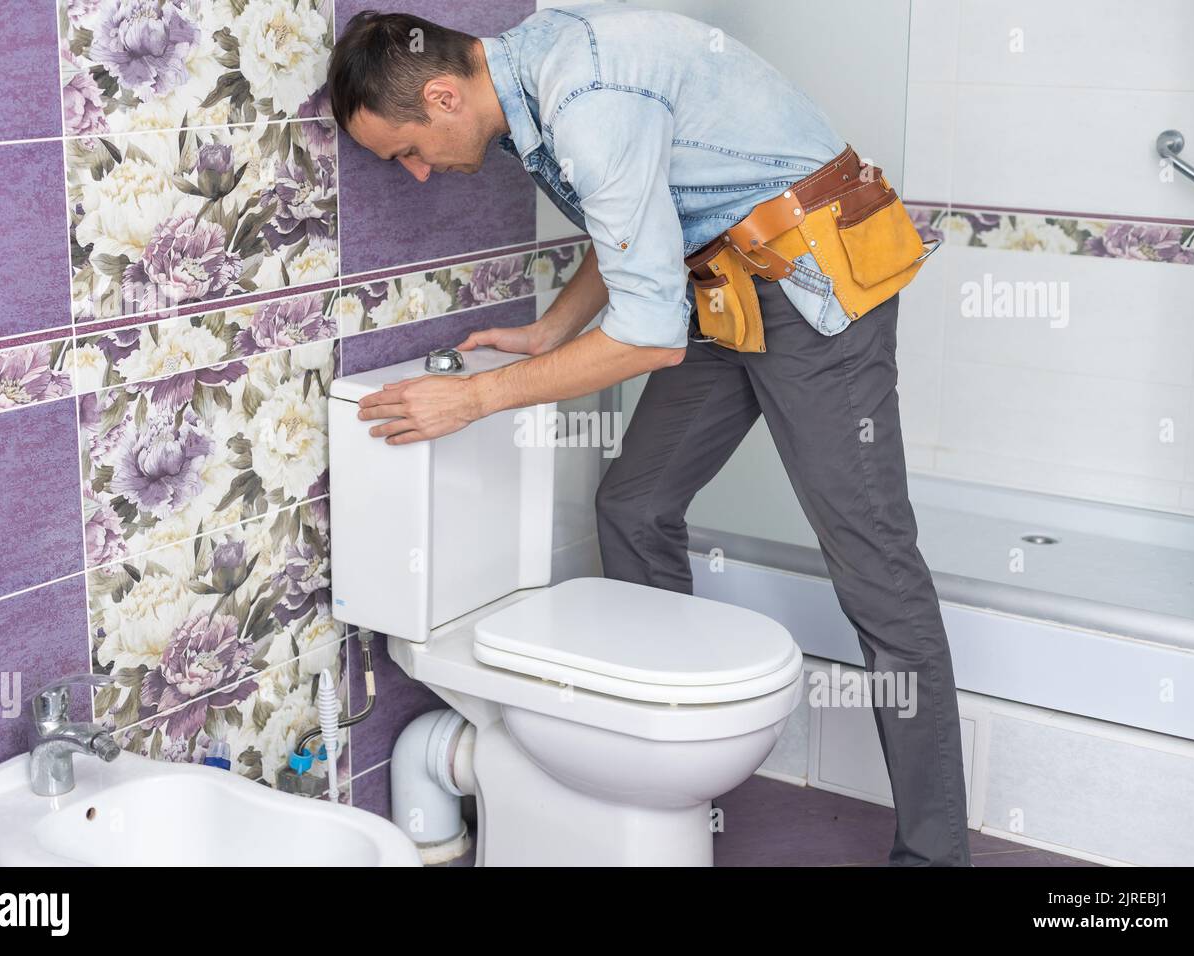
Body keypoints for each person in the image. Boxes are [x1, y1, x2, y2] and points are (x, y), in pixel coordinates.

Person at [328, 4, 972, 866]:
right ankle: (668, 760)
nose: (414, 172)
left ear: (443, 96)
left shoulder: (584, 97)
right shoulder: (534, 75)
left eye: (405, 148)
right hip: (723, 285)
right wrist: (554, 330)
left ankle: (936, 857)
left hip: (815, 290)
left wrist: (474, 402)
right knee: (634, 505)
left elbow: (649, 337)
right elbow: (636, 210)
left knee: (876, 570)